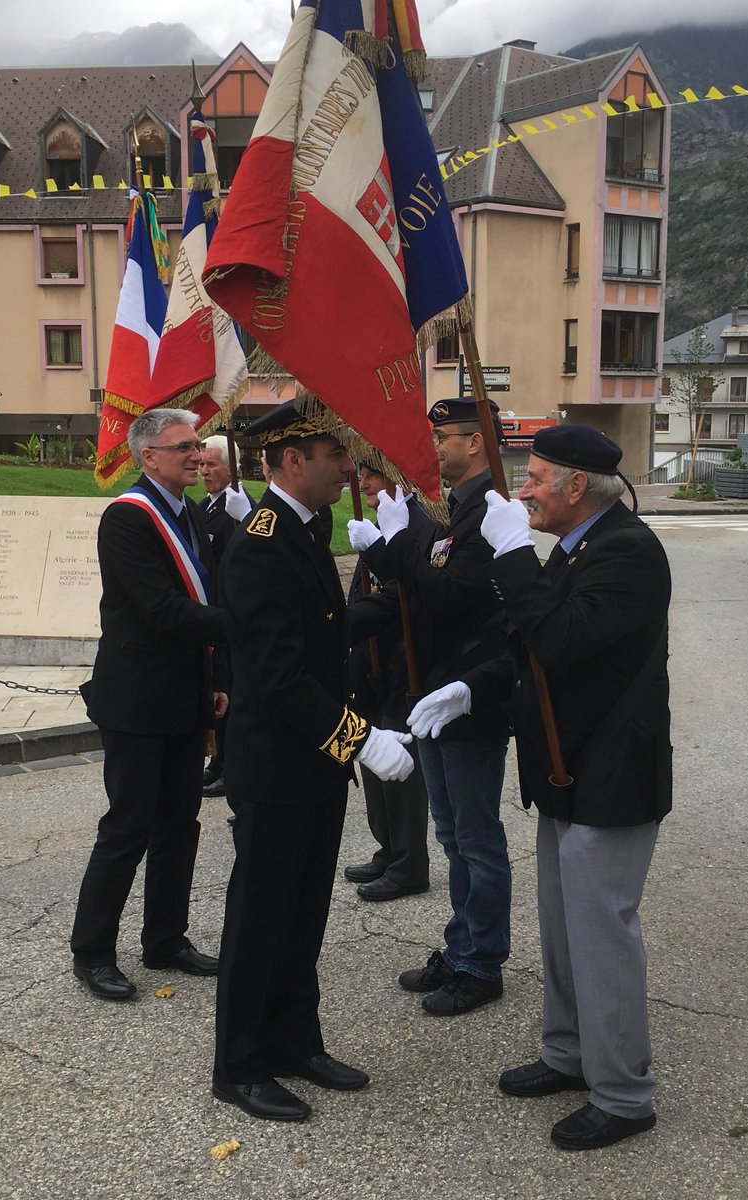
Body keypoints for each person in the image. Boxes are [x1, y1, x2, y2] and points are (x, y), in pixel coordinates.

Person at [408, 424, 672, 1152]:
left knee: (601, 936)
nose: (522, 489)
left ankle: (623, 1093)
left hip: (611, 773)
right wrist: (471, 686)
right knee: (561, 928)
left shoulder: (628, 552)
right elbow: (527, 647)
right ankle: (568, 1053)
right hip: (567, 767)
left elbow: (559, 639)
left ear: (576, 488)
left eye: (535, 478)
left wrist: (513, 554)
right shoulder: (582, 547)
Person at [212, 399, 415, 1123]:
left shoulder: (304, 527)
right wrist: (359, 738)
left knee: (303, 914)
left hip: (313, 766)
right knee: (261, 916)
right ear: (292, 461)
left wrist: (395, 600)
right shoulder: (262, 541)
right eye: (335, 455)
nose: (346, 468)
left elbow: (322, 626)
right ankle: (238, 1065)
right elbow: (278, 674)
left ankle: (295, 1041)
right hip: (277, 767)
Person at [348, 397, 512, 1016]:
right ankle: (462, 944)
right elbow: (424, 590)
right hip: (435, 696)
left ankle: (482, 962)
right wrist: (400, 548)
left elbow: (448, 596)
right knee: (451, 835)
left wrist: (398, 544)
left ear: (476, 443)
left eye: (444, 438)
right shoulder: (454, 512)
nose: (434, 448)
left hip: (469, 698)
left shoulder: (489, 513)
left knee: (476, 839)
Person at [70, 407, 226, 1001]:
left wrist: (217, 673)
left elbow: (203, 593)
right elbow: (162, 609)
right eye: (183, 446)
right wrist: (248, 626)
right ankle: (93, 952)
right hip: (137, 700)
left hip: (186, 694)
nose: (196, 454)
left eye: (197, 445)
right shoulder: (128, 518)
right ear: (148, 457)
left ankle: (165, 939)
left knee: (179, 826)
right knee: (127, 826)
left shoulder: (191, 513)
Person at [343, 464, 434, 902]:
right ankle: (388, 848)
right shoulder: (375, 521)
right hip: (368, 660)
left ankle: (409, 863)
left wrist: (380, 548)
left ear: (399, 479)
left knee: (399, 762)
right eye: (360, 477)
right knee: (372, 753)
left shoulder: (421, 527)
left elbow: (413, 594)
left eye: (372, 478)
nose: (362, 486)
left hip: (402, 660)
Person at [197, 435, 254, 798]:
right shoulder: (204, 507)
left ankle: (232, 769)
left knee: (229, 695)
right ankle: (218, 762)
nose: (203, 471)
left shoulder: (241, 509)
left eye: (211, 464)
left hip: (230, 617)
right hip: (211, 617)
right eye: (201, 464)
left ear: (231, 468)